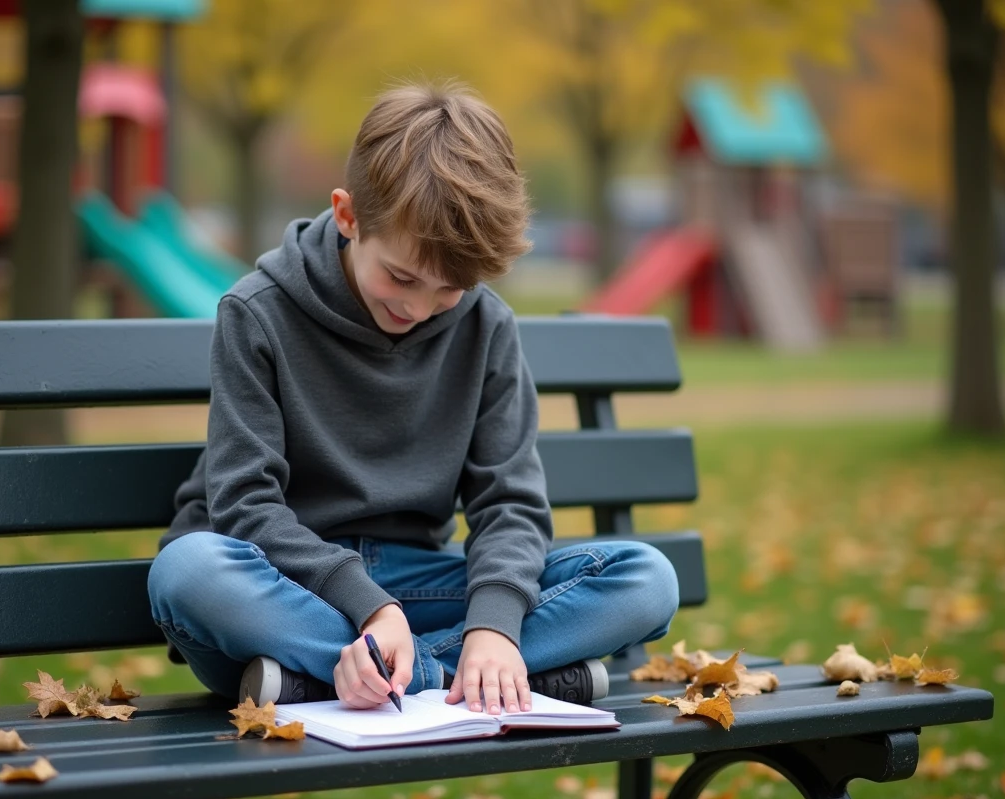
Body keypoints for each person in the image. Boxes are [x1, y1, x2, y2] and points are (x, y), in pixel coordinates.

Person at [147, 82, 679, 716]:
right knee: (187, 574)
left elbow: (509, 501)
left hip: (420, 582)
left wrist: (494, 624)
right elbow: (242, 504)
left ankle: (377, 675)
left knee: (646, 579)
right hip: (283, 588)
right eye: (401, 277)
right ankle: (458, 677)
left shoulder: (488, 327)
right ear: (348, 217)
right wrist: (370, 607)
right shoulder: (256, 315)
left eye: (449, 290)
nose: (418, 308)